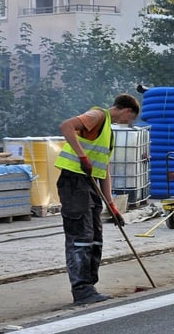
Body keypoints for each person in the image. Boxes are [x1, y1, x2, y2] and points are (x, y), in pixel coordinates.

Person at [54, 94, 140, 305]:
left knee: (94, 238)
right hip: (74, 181)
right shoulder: (98, 115)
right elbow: (66, 126)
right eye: (130, 118)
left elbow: (103, 169)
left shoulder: (108, 132)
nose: (128, 122)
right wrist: (82, 156)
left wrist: (111, 205)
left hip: (90, 184)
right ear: (127, 110)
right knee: (81, 236)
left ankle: (89, 286)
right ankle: (81, 290)